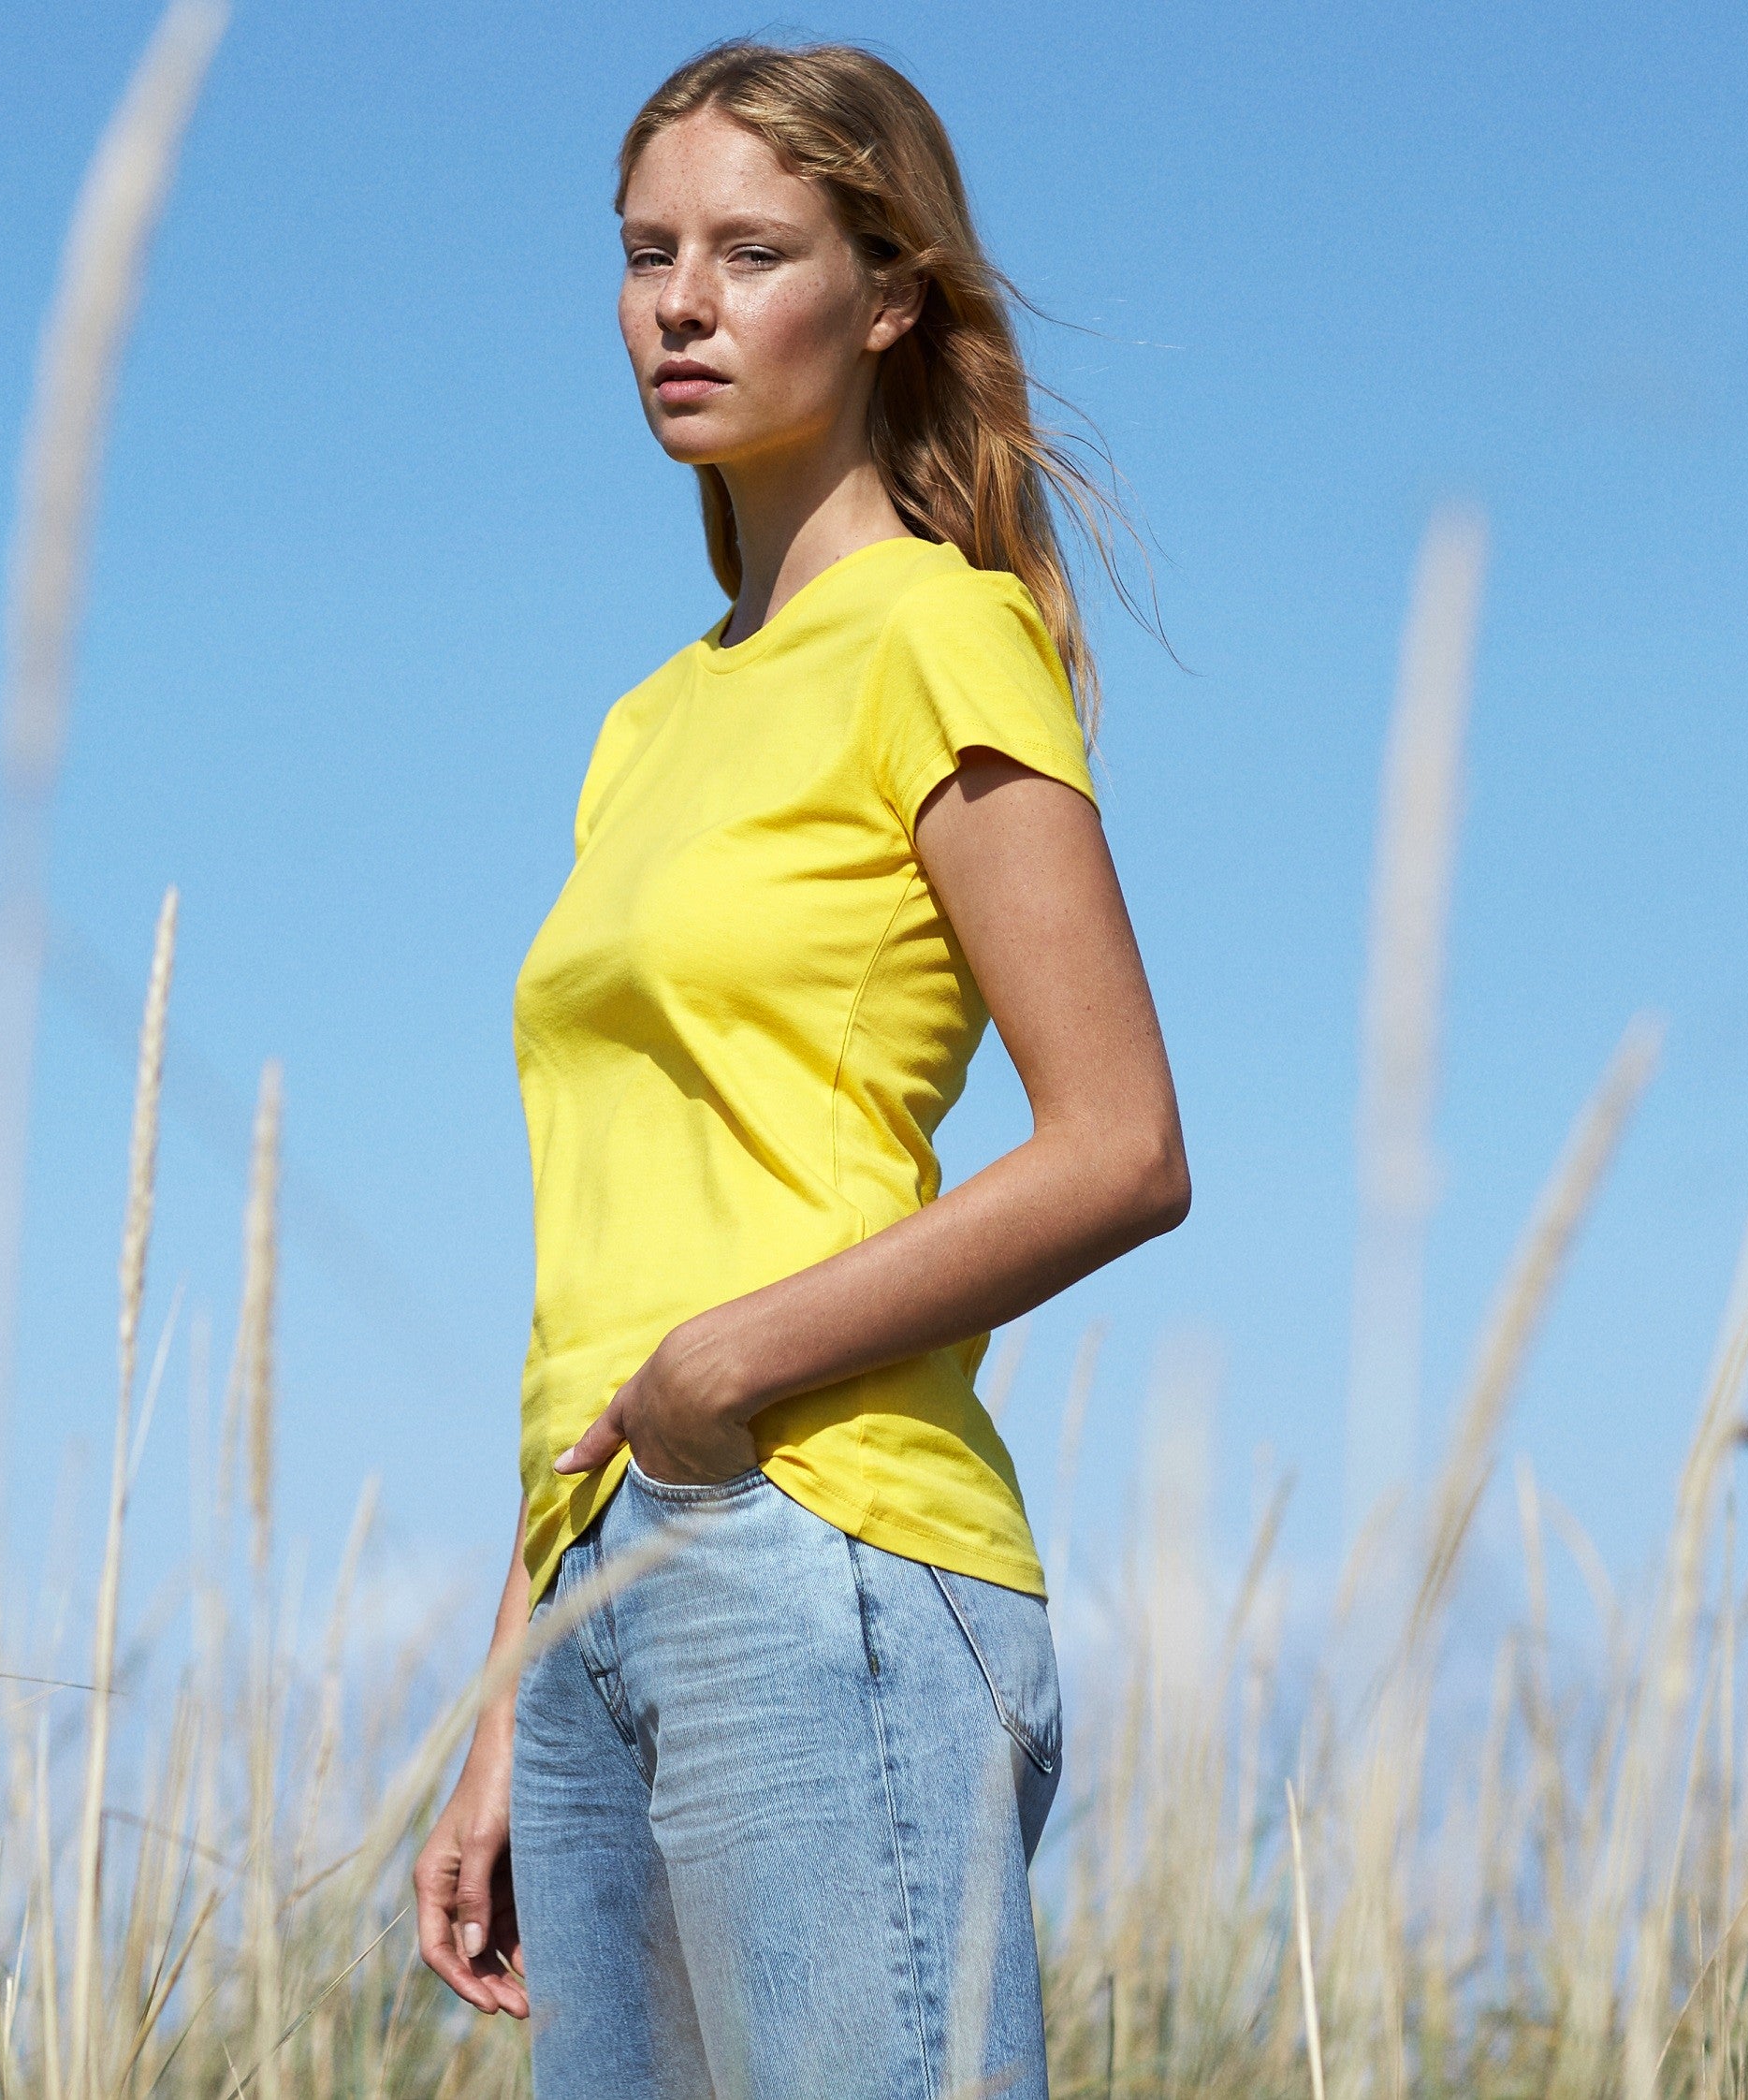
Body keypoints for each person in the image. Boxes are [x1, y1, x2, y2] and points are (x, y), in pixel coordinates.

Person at [413, 38, 1188, 2099]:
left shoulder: (938, 634)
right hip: (596, 1591)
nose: (679, 302)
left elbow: (1119, 1148)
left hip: (814, 1540)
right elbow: (609, 1232)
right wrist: (503, 1692)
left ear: (885, 293)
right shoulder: (648, 725)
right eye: (645, 252)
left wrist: (715, 1379)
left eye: (750, 252)